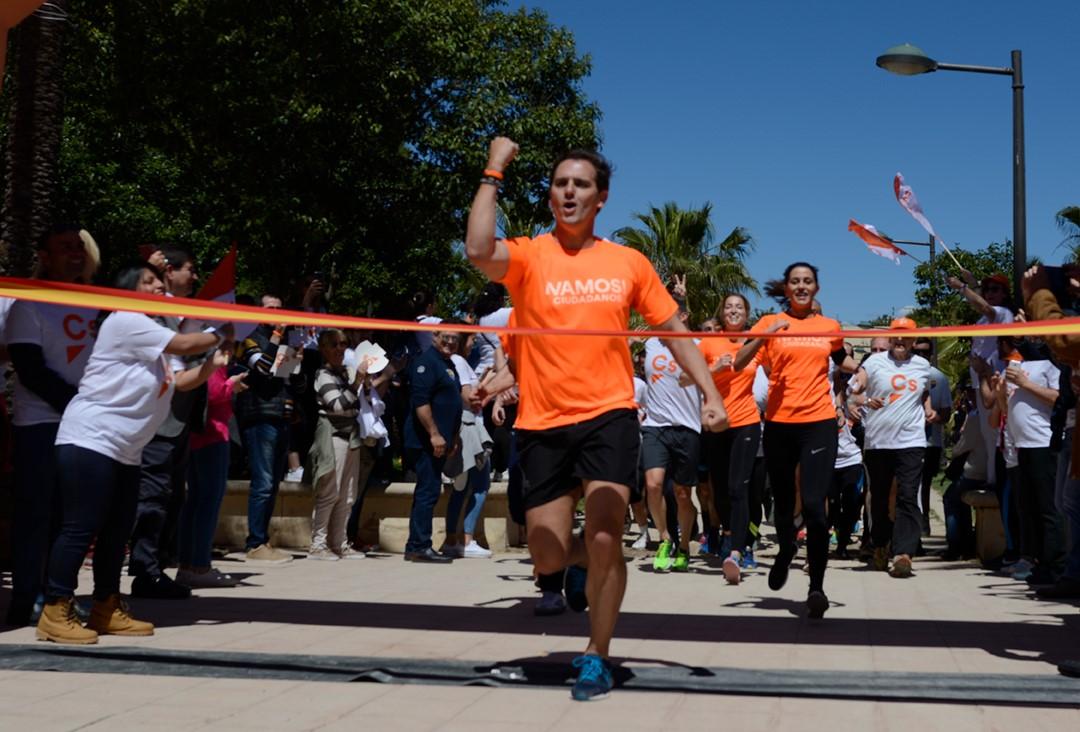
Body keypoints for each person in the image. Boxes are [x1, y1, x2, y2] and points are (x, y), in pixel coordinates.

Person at [465, 137, 726, 701]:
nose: (569, 192)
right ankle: (574, 562)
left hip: (609, 415)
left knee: (608, 533)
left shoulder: (627, 262)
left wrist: (709, 392)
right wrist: (494, 169)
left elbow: (673, 330)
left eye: (581, 184)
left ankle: (596, 654)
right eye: (561, 183)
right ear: (552, 195)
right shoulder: (531, 255)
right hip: (543, 422)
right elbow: (478, 249)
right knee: (547, 553)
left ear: (601, 197)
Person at [36, 263, 225, 644]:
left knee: (117, 532)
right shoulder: (125, 320)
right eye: (149, 282)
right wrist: (220, 331)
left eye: (159, 281)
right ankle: (55, 610)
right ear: (126, 290)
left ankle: (106, 606)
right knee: (79, 528)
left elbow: (181, 380)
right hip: (90, 440)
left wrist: (210, 365)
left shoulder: (153, 337)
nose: (158, 287)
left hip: (125, 450)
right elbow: (184, 345)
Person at [735, 262, 857, 618]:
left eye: (808, 282)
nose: (802, 287)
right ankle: (787, 546)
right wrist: (765, 334)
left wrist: (860, 370)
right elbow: (739, 361)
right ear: (786, 288)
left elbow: (841, 359)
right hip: (779, 424)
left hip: (819, 421)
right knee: (786, 507)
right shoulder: (767, 324)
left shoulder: (829, 326)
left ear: (816, 288)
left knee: (817, 507)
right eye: (795, 282)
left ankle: (816, 587)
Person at [4, 224, 99, 625]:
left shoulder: (97, 302)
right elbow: (29, 367)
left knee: (71, 518)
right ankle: (27, 598)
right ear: (44, 256)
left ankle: (60, 596)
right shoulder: (30, 304)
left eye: (79, 247)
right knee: (35, 516)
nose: (75, 254)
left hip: (85, 426)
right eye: (64, 248)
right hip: (41, 425)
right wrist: (77, 403)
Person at [128, 246, 223, 599]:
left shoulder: (185, 311)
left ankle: (155, 567)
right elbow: (177, 359)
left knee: (169, 498)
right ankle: (144, 570)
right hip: (155, 420)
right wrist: (222, 335)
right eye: (190, 269)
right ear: (170, 271)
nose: (195, 277)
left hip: (178, 421)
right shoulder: (154, 311)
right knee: (151, 497)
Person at [851, 317, 935, 578]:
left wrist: (928, 407)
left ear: (913, 340)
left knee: (908, 496)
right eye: (896, 336)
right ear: (889, 338)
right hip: (878, 442)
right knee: (879, 498)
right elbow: (857, 387)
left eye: (906, 336)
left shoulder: (922, 365)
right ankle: (880, 544)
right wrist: (864, 398)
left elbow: (922, 390)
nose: (900, 340)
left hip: (911, 441)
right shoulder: (874, 362)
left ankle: (903, 553)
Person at [687, 294, 760, 583]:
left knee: (738, 487)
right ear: (721, 313)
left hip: (747, 423)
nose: (733, 311)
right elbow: (684, 378)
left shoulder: (753, 343)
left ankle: (738, 550)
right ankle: (730, 534)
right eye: (728, 307)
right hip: (716, 425)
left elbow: (778, 369)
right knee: (720, 491)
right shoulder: (708, 343)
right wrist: (713, 369)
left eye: (739, 307)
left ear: (746, 313)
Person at [1021, 264, 1080, 598]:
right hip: (1070, 426)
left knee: (1068, 503)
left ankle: (1069, 571)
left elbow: (1063, 339)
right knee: (1068, 502)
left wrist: (1039, 293)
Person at [234, 296, 307, 563]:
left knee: (274, 484)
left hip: (282, 416)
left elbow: (297, 386)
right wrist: (276, 335)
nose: (277, 313)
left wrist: (297, 364)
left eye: (280, 308)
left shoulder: (286, 340)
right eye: (271, 309)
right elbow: (263, 369)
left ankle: (262, 540)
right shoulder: (250, 335)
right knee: (263, 483)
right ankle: (254, 543)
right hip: (259, 416)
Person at [640, 298, 701, 575]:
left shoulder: (698, 346)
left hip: (688, 428)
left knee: (683, 495)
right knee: (653, 485)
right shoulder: (650, 342)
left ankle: (685, 546)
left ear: (685, 316)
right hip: (655, 425)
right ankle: (664, 538)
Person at [176, 359, 246, 587]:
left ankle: (188, 565)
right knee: (208, 501)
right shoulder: (210, 356)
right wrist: (232, 385)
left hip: (199, 435)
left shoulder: (199, 355)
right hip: (212, 434)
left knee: (196, 501)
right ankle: (199, 566)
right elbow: (214, 393)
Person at [307, 329, 369, 561]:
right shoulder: (323, 375)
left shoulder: (346, 372)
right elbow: (338, 406)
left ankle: (339, 543)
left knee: (348, 495)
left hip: (351, 437)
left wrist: (370, 379)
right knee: (329, 493)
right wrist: (358, 383)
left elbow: (363, 402)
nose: (339, 349)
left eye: (343, 344)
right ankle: (318, 544)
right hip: (333, 437)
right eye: (333, 344)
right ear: (323, 348)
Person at [403, 328, 463, 563]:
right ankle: (419, 546)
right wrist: (435, 435)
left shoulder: (447, 364)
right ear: (435, 337)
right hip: (425, 441)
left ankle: (416, 545)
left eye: (455, 339)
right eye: (445, 337)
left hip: (442, 440)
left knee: (430, 490)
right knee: (427, 492)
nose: (450, 342)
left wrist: (454, 437)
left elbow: (453, 403)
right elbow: (421, 401)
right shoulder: (426, 363)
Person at [444, 325, 494, 558]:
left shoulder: (453, 362)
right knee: (480, 485)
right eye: (472, 338)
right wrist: (489, 388)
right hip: (470, 428)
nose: (474, 344)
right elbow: (468, 397)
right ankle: (466, 540)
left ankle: (452, 540)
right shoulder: (460, 362)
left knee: (460, 487)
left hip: (463, 427)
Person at [914, 338, 951, 536]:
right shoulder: (905, 375)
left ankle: (923, 523)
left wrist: (934, 416)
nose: (921, 356)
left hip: (930, 442)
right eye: (917, 352)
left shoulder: (939, 378)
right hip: (906, 440)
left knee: (924, 484)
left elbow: (946, 414)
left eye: (925, 352)